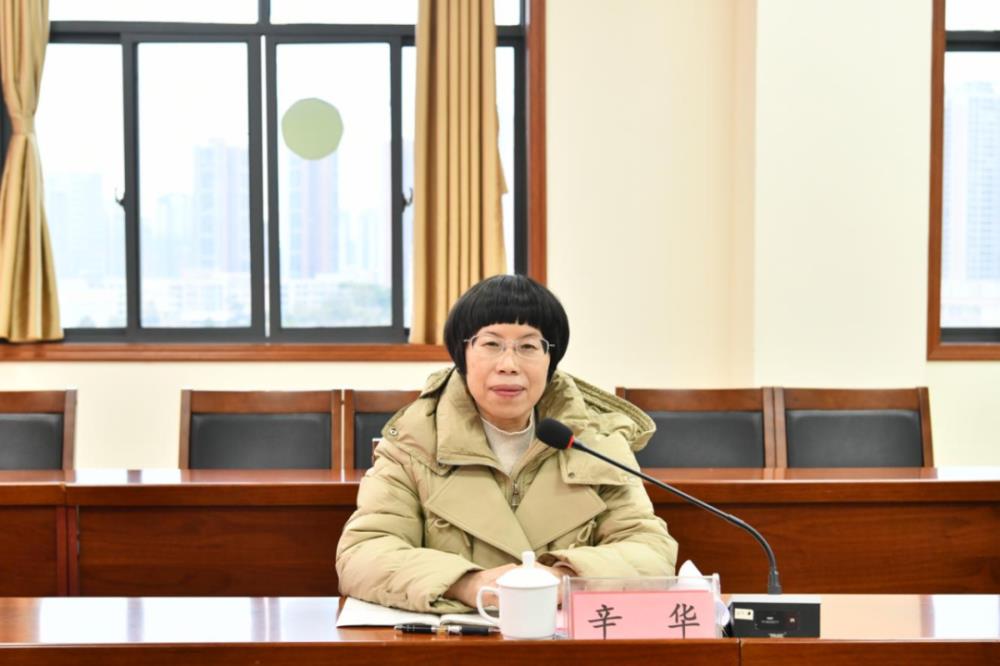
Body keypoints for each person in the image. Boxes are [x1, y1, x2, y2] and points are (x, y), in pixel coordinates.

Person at [336, 274, 678, 613]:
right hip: (454, 638)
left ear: (550, 359)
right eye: (491, 344)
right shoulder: (414, 442)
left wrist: (562, 579)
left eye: (528, 346)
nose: (509, 365)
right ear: (462, 355)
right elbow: (363, 554)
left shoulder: (596, 440)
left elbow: (650, 550)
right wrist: (468, 584)